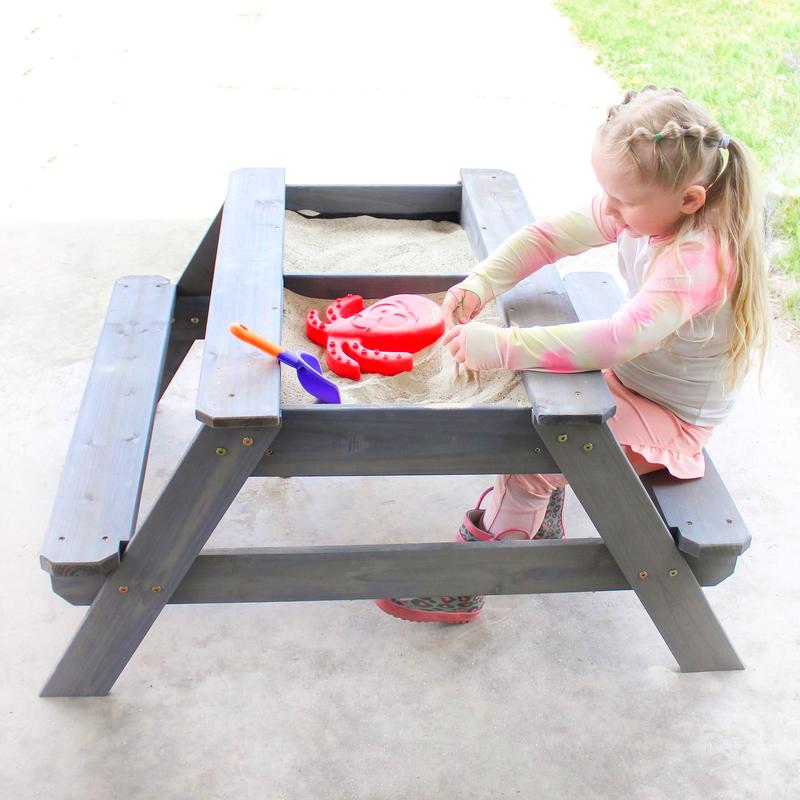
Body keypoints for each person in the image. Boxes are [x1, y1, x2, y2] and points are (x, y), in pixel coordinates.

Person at [375, 85, 770, 624]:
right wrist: (483, 280)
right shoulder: (644, 208)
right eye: (605, 193)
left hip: (669, 421)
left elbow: (619, 337)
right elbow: (548, 236)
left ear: (690, 199)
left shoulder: (698, 258)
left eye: (622, 201)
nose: (608, 209)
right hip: (628, 380)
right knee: (526, 408)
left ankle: (470, 583)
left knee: (532, 447)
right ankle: (541, 514)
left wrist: (505, 347)